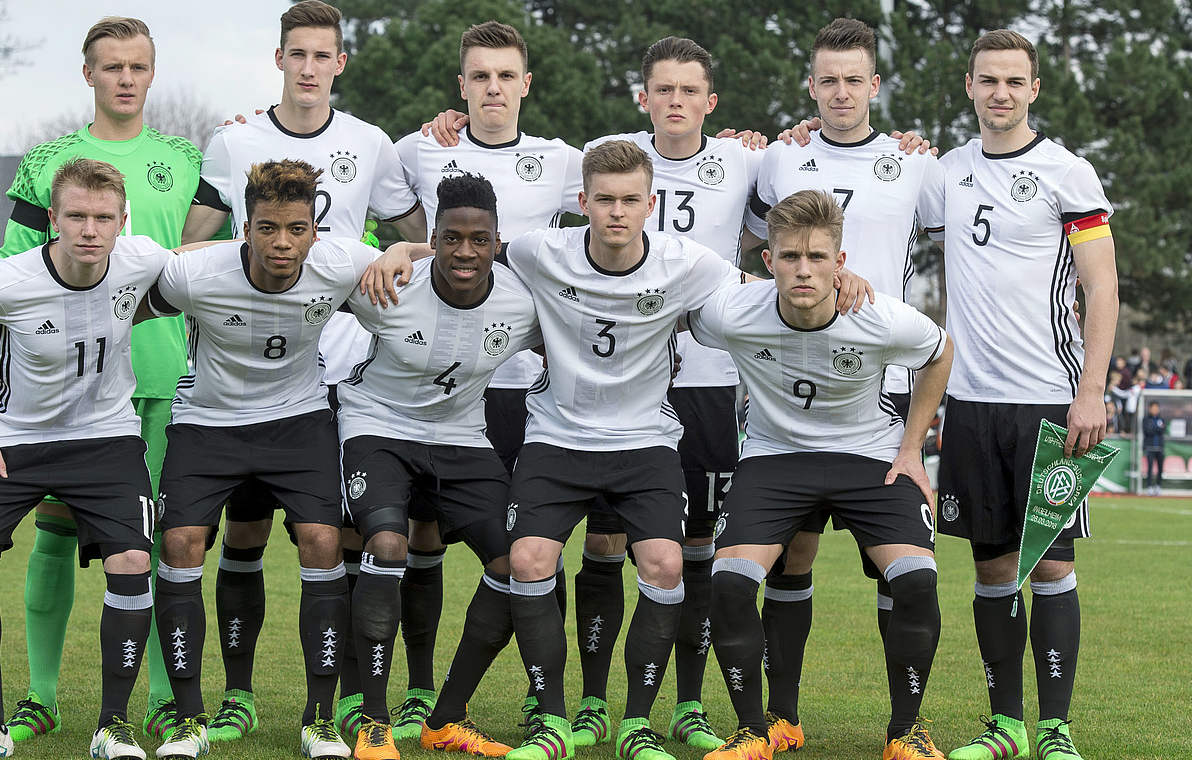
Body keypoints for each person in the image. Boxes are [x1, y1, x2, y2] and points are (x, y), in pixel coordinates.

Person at [364, 141, 862, 760]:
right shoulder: (542, 250)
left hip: (645, 443)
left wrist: (842, 274)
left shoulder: (690, 264)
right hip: (556, 438)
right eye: (604, 200)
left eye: (630, 200)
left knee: (666, 565)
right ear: (583, 203)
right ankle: (551, 722)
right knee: (526, 561)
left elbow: (776, 282)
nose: (617, 212)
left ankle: (635, 724)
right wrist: (399, 248)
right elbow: (464, 252)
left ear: (650, 204)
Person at [179, 1, 424, 742]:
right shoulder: (232, 139)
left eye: (324, 55)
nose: (310, 67)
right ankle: (238, 695)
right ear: (279, 59)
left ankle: (346, 697)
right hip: (249, 362)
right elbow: (194, 247)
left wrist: (399, 254)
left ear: (339, 63)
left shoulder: (371, 142)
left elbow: (413, 239)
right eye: (298, 54)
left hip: (344, 365)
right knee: (246, 531)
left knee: (339, 537)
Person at [0, 17, 210, 744]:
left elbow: (211, 256)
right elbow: (10, 274)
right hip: (60, 392)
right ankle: (41, 695)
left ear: (152, 74)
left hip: (154, 377)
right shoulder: (48, 160)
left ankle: (155, 695)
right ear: (88, 73)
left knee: (143, 541)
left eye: (139, 67)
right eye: (112, 66)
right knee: (52, 533)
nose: (126, 78)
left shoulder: (185, 158)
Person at [689, 189, 952, 760]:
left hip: (868, 458)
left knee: (915, 580)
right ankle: (760, 729)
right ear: (767, 263)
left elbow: (939, 353)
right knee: (730, 585)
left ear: (841, 263)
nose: (802, 270)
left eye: (816, 257)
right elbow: (678, 314)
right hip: (774, 456)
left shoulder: (879, 316)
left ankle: (906, 731)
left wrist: (912, 449)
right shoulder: (733, 311)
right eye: (788, 257)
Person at [379, 20, 584, 740]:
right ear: (460, 86)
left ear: (526, 84)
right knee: (421, 535)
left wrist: (756, 143)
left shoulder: (562, 160)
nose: (492, 87)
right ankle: (419, 687)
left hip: (529, 380)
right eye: (479, 76)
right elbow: (399, 237)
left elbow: (649, 176)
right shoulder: (418, 149)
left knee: (534, 541)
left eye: (505, 75)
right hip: (443, 384)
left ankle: (541, 691)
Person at [146, 159, 392, 759]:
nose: (282, 243)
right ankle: (186, 718)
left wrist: (398, 251)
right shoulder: (194, 273)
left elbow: (424, 258)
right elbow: (118, 304)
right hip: (208, 422)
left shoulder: (342, 263)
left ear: (316, 228)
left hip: (297, 421)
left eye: (296, 228)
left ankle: (321, 718)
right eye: (266, 228)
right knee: (180, 547)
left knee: (323, 542)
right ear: (244, 226)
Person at [567, 36, 769, 752]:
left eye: (690, 92)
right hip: (619, 381)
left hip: (708, 384)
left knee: (695, 547)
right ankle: (594, 701)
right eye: (664, 90)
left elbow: (809, 183)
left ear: (710, 102)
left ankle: (687, 703)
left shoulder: (747, 159)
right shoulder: (606, 153)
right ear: (643, 97)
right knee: (605, 538)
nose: (676, 102)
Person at [0, 158, 174, 760]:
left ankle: (113, 726)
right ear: (53, 219)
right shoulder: (5, 282)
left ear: (124, 220)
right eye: (76, 216)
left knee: (130, 560)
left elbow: (186, 287)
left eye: (102, 217)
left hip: (105, 437)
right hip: (14, 437)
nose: (89, 230)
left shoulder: (143, 259)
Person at [936, 30, 1118, 760]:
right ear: (970, 86)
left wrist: (1092, 388)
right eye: (988, 81)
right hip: (971, 403)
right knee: (990, 567)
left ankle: (1055, 728)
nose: (1000, 93)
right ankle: (1005, 725)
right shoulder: (944, 172)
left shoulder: (1068, 173)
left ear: (1034, 89)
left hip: (1049, 398)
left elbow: (1101, 285)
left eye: (1014, 81)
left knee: (1050, 564)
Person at [341, 173, 545, 760]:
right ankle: (374, 722)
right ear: (433, 237)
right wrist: (391, 249)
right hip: (378, 426)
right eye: (451, 238)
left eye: (479, 240)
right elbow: (309, 265)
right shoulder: (388, 282)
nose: (464, 252)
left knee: (517, 561)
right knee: (387, 545)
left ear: (496, 241)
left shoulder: (519, 303)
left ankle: (447, 716)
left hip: (461, 437)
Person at [1142, 401, 1165, 495]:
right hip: (1150, 448)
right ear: (1150, 408)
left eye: (1157, 408)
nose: (1155, 410)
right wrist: (1157, 428)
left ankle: (1158, 486)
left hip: (1160, 447)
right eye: (1153, 408)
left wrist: (1155, 428)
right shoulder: (1146, 419)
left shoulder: (1161, 419)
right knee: (1150, 468)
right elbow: (1147, 431)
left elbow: (1162, 430)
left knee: (1160, 469)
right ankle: (1149, 487)